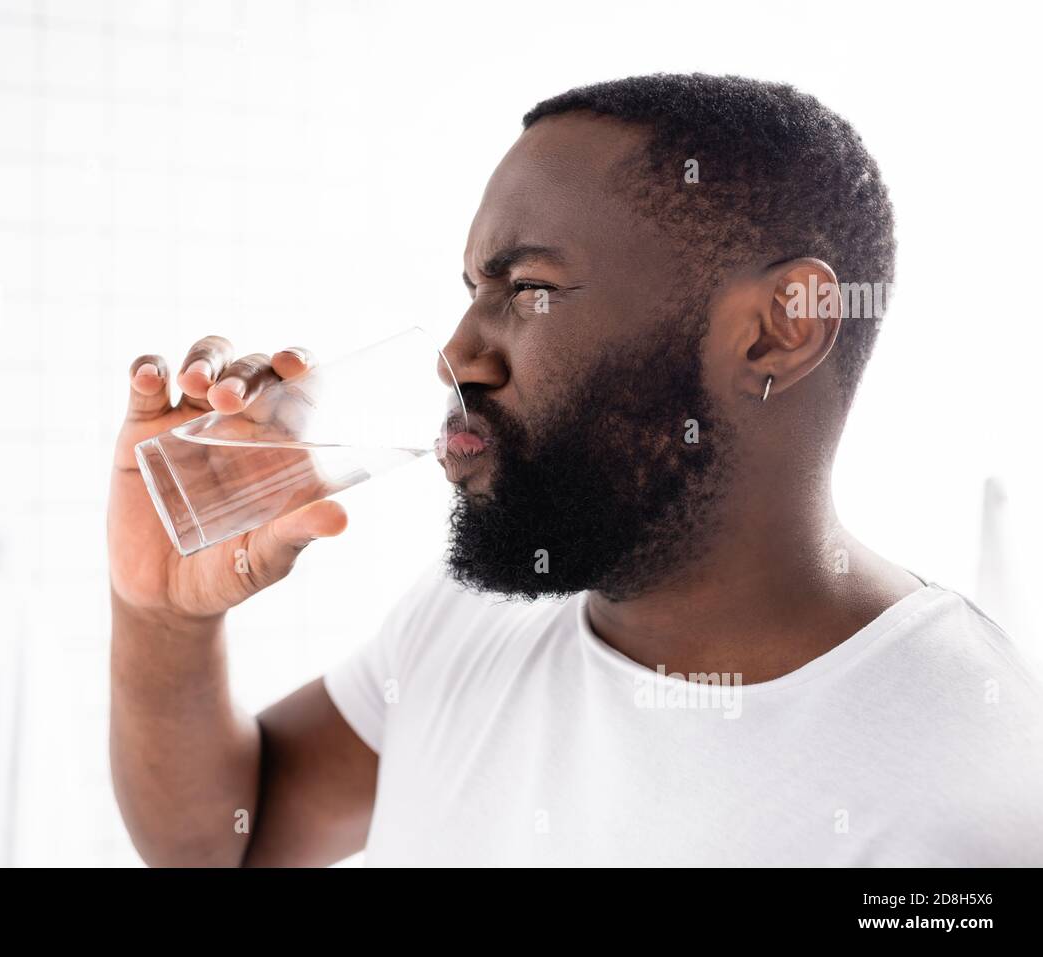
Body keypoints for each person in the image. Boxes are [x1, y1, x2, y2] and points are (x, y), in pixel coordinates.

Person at [107, 73, 1043, 866]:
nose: (456, 353)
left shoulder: (963, 787)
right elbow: (230, 835)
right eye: (473, 289)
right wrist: (159, 619)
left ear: (778, 328)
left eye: (530, 289)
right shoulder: (472, 615)